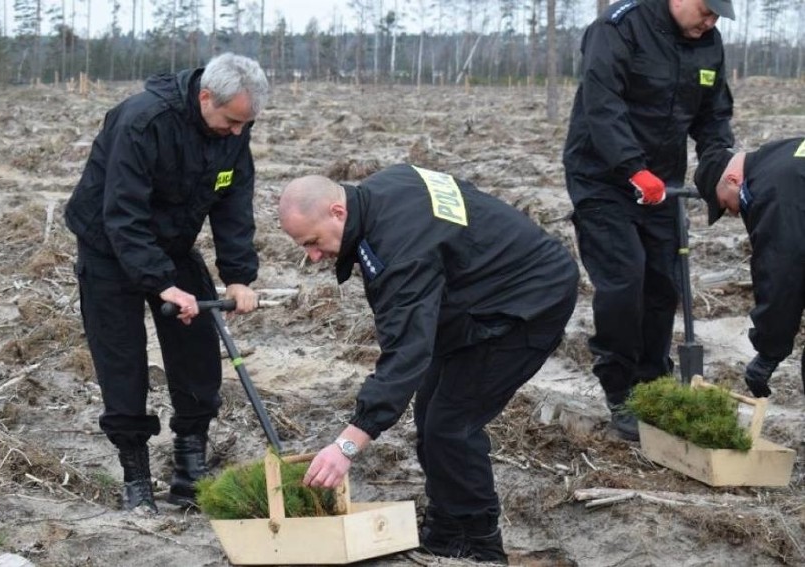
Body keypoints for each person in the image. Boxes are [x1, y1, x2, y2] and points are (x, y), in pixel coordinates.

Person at [278, 165, 578, 563]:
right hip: (479, 292)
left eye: (313, 242)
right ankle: (446, 527)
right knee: (430, 410)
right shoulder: (387, 187)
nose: (313, 256)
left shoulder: (397, 250)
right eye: (304, 247)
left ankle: (480, 543)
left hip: (528, 302)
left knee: (452, 425)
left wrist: (347, 444)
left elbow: (406, 353)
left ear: (337, 212)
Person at [64, 53, 269, 514]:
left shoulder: (234, 128)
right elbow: (123, 214)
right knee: (123, 361)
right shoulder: (144, 121)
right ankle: (136, 476)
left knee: (197, 352)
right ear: (204, 97)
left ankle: (189, 468)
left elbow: (234, 199)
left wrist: (238, 277)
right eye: (232, 120)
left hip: (174, 245)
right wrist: (161, 285)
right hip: (107, 247)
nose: (238, 132)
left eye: (246, 123)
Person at [562, 0, 735, 441]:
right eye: (707, 10)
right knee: (625, 280)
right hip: (603, 177)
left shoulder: (708, 43)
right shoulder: (619, 29)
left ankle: (653, 385)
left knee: (663, 283)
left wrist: (719, 170)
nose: (711, 21)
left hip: (662, 183)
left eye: (718, 15)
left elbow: (713, 117)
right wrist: (632, 168)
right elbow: (602, 105)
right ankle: (621, 390)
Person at [694, 137, 805, 398]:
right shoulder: (784, 153)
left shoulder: (771, 189)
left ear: (732, 179)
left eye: (724, 203)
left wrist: (769, 351)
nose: (733, 212)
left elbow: (782, 273)